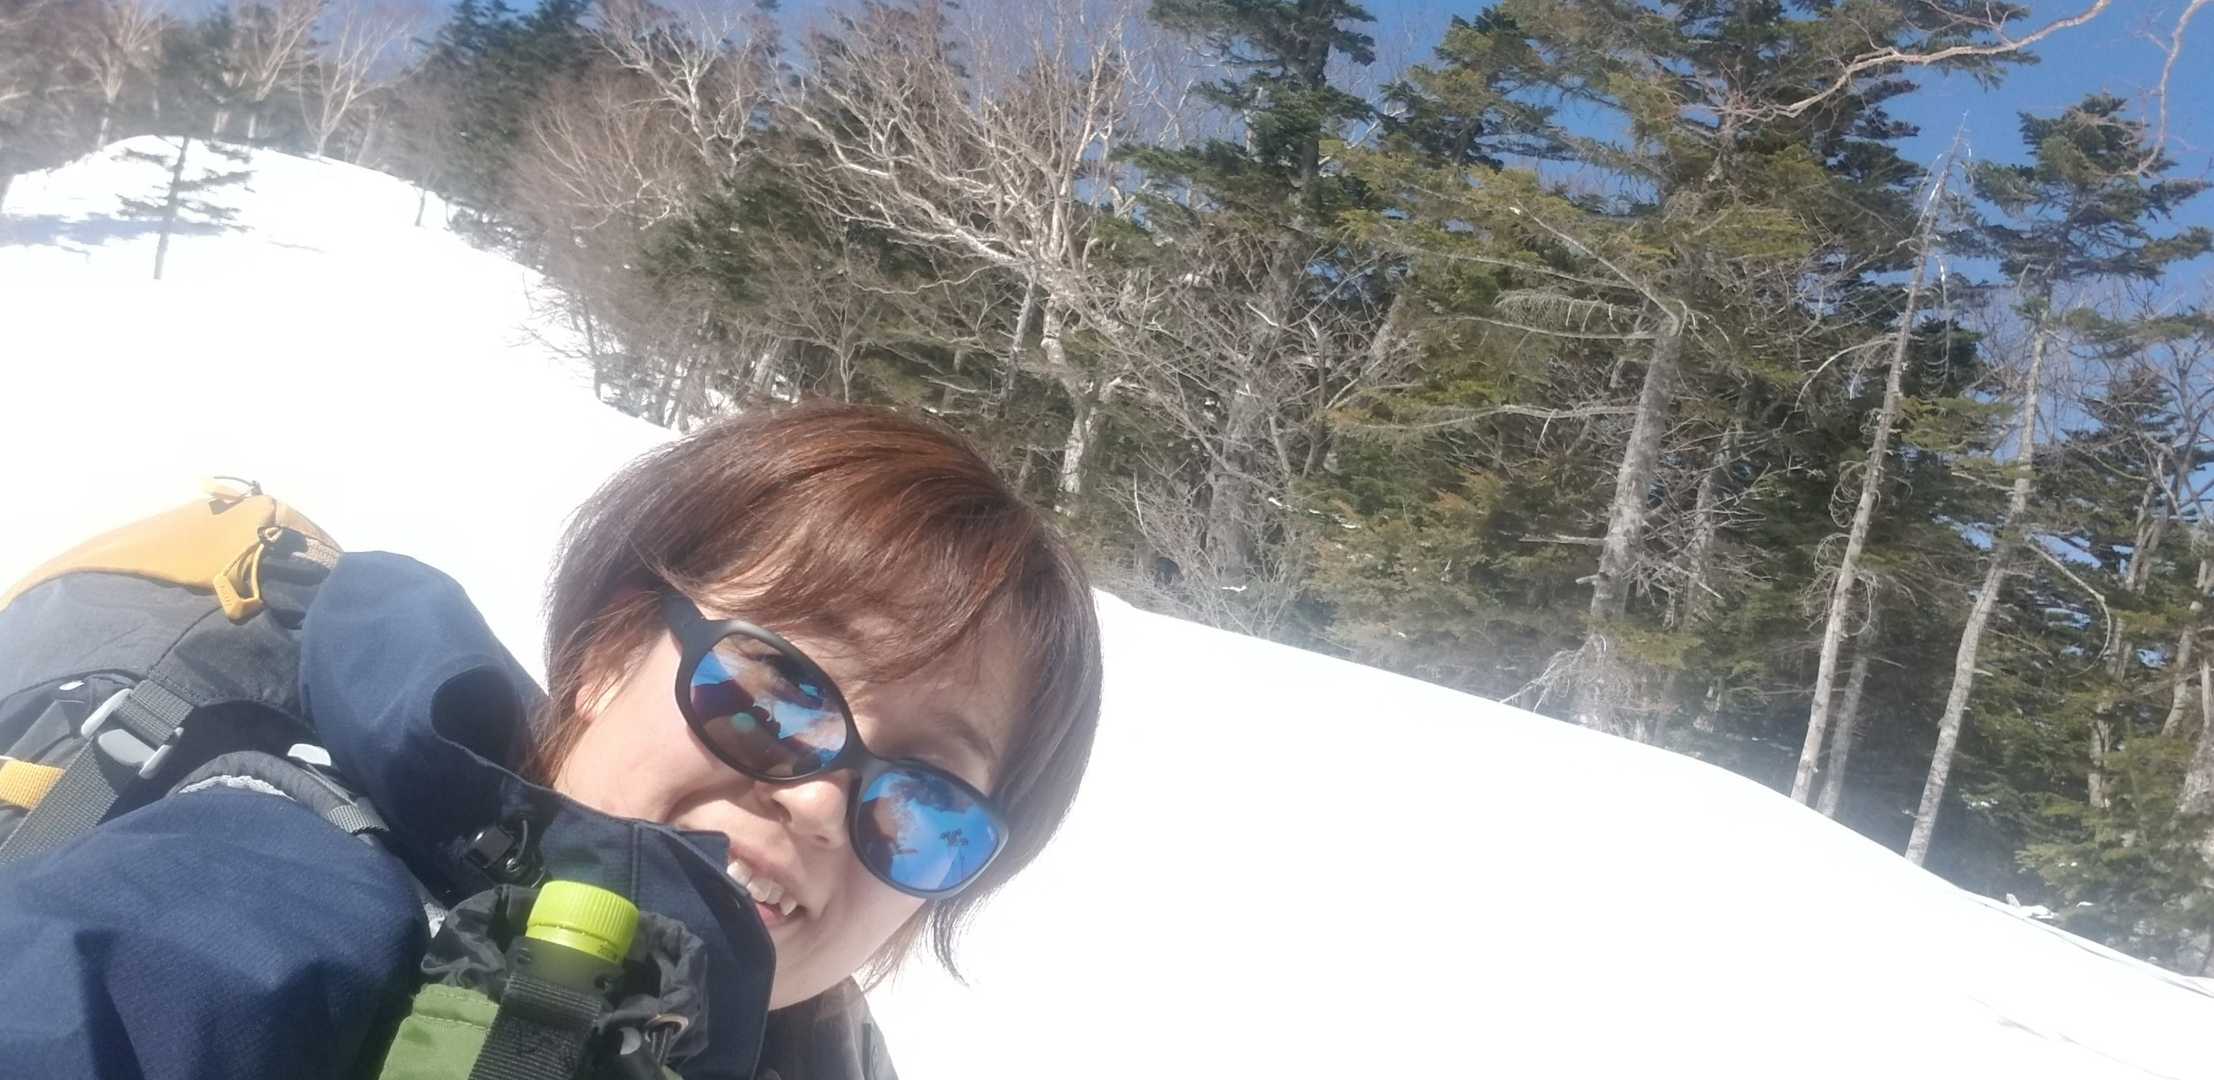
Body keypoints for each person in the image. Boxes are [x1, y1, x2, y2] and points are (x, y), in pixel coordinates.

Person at [0, 402, 1104, 1080]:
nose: (822, 806)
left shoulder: (821, 1054)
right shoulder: (254, 907)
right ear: (608, 654)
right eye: (776, 696)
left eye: (926, 799)